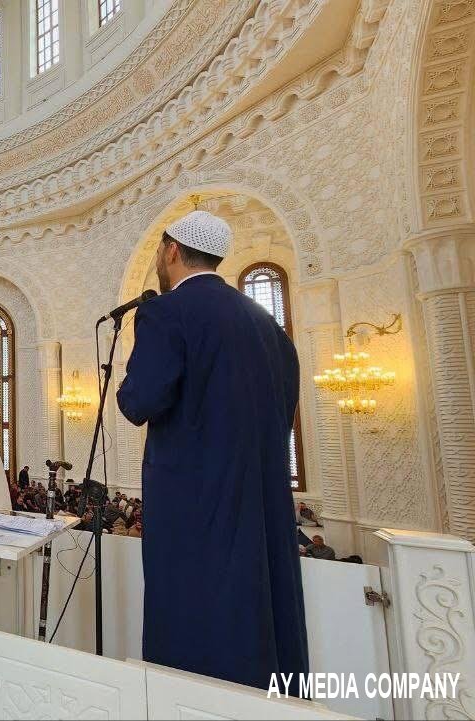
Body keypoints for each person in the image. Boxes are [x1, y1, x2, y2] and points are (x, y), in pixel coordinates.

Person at [116, 209, 307, 691]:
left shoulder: (165, 312)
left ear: (172, 251)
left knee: (195, 618)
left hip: (194, 505)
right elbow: (283, 409)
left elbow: (139, 401)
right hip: (262, 498)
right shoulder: (267, 324)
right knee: (260, 607)